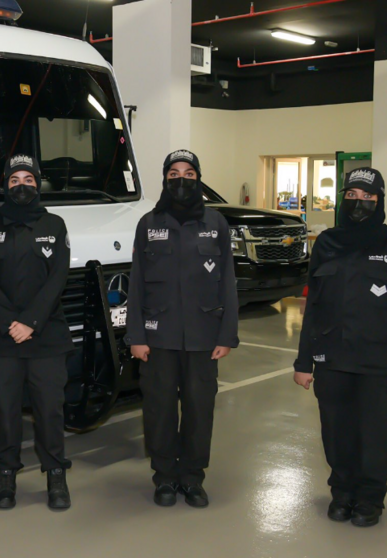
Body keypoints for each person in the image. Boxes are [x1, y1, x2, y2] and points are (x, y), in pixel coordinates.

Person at [124, 149, 238, 508]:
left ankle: (192, 477)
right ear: (164, 178)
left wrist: (227, 335)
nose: (181, 179)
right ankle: (165, 477)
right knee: (158, 409)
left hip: (204, 337)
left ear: (199, 178)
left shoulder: (216, 223)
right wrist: (136, 336)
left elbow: (228, 283)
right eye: (174, 172)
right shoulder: (149, 223)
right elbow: (137, 283)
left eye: (189, 172)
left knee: (199, 409)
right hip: (158, 337)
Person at [0, 154, 74, 510]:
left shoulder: (55, 224)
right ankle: (6, 476)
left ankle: (56, 476)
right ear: (5, 184)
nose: (21, 186)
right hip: (1, 338)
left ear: (38, 183)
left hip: (45, 335)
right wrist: (9, 323)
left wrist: (30, 321)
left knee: (50, 410)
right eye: (15, 180)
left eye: (28, 180)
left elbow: (57, 278)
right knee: (4, 410)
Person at [294, 167, 387, 528]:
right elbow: (312, 305)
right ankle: (342, 491)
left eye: (368, 197)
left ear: (379, 201)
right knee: (336, 431)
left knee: (375, 434)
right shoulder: (328, 242)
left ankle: (370, 497)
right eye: (352, 196)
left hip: (378, 361)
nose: (359, 203)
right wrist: (304, 361)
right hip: (331, 358)